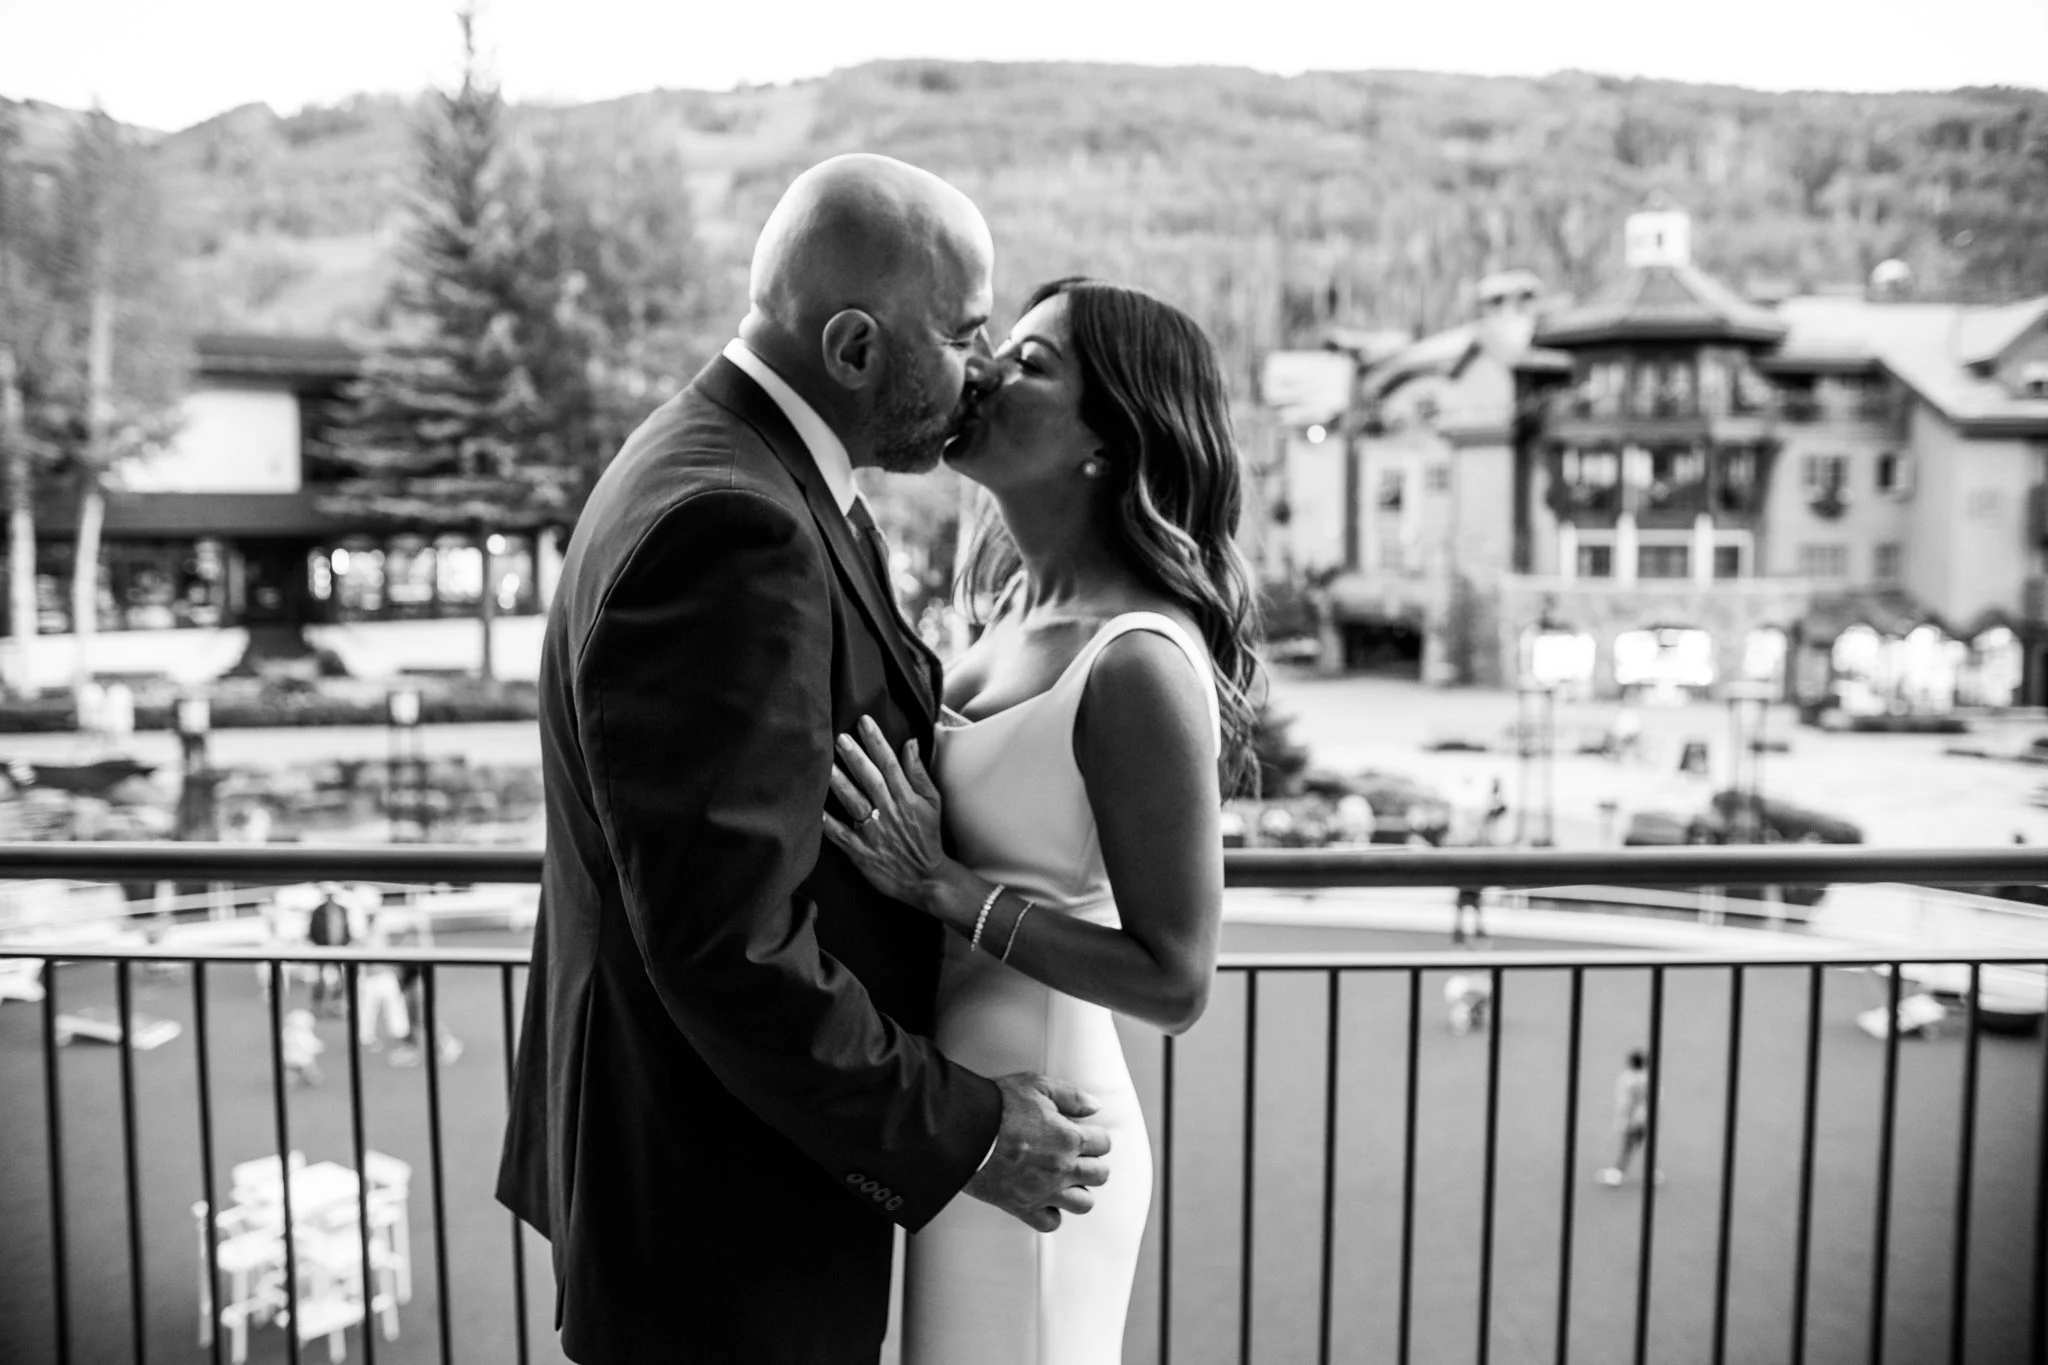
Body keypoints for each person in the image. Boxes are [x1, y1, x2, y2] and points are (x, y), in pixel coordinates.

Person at [496, 155, 1111, 1365]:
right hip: (722, 1219)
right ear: (851, 349)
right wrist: (971, 1134)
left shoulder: (741, 471)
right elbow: (729, 949)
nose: (981, 370)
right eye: (964, 332)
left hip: (714, 1184)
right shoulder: (734, 528)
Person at [825, 277, 1258, 1363]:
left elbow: (1175, 981)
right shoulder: (1011, 612)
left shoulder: (1136, 664)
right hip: (966, 1112)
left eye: (1029, 363)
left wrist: (947, 891)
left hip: (1044, 1122)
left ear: (1106, 440)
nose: (982, 371)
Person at [1599, 1049, 1659, 1186]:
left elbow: (1626, 1103)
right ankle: (1653, 1172)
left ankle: (1618, 1173)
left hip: (1634, 1119)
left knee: (1628, 1146)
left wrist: (1623, 1121)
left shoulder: (1629, 1080)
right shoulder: (1647, 1077)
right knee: (1641, 1144)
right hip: (1645, 1117)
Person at [281, 1008, 324, 1087]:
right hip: (303, 1060)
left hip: (289, 1060)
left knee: (291, 1071)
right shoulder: (304, 1035)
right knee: (311, 1069)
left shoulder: (287, 1033)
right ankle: (312, 1078)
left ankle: (291, 1079)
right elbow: (310, 1046)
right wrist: (319, 1047)